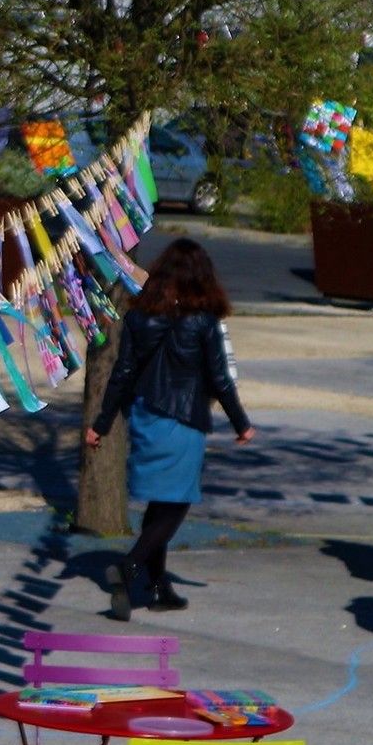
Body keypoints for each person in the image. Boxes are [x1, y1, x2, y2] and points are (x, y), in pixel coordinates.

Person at [87, 238, 255, 621]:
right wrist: (240, 423)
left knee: (160, 502)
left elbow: (122, 373)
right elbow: (220, 378)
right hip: (184, 419)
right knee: (176, 503)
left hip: (147, 416)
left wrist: (101, 422)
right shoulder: (203, 321)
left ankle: (159, 586)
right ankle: (131, 568)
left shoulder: (138, 316)